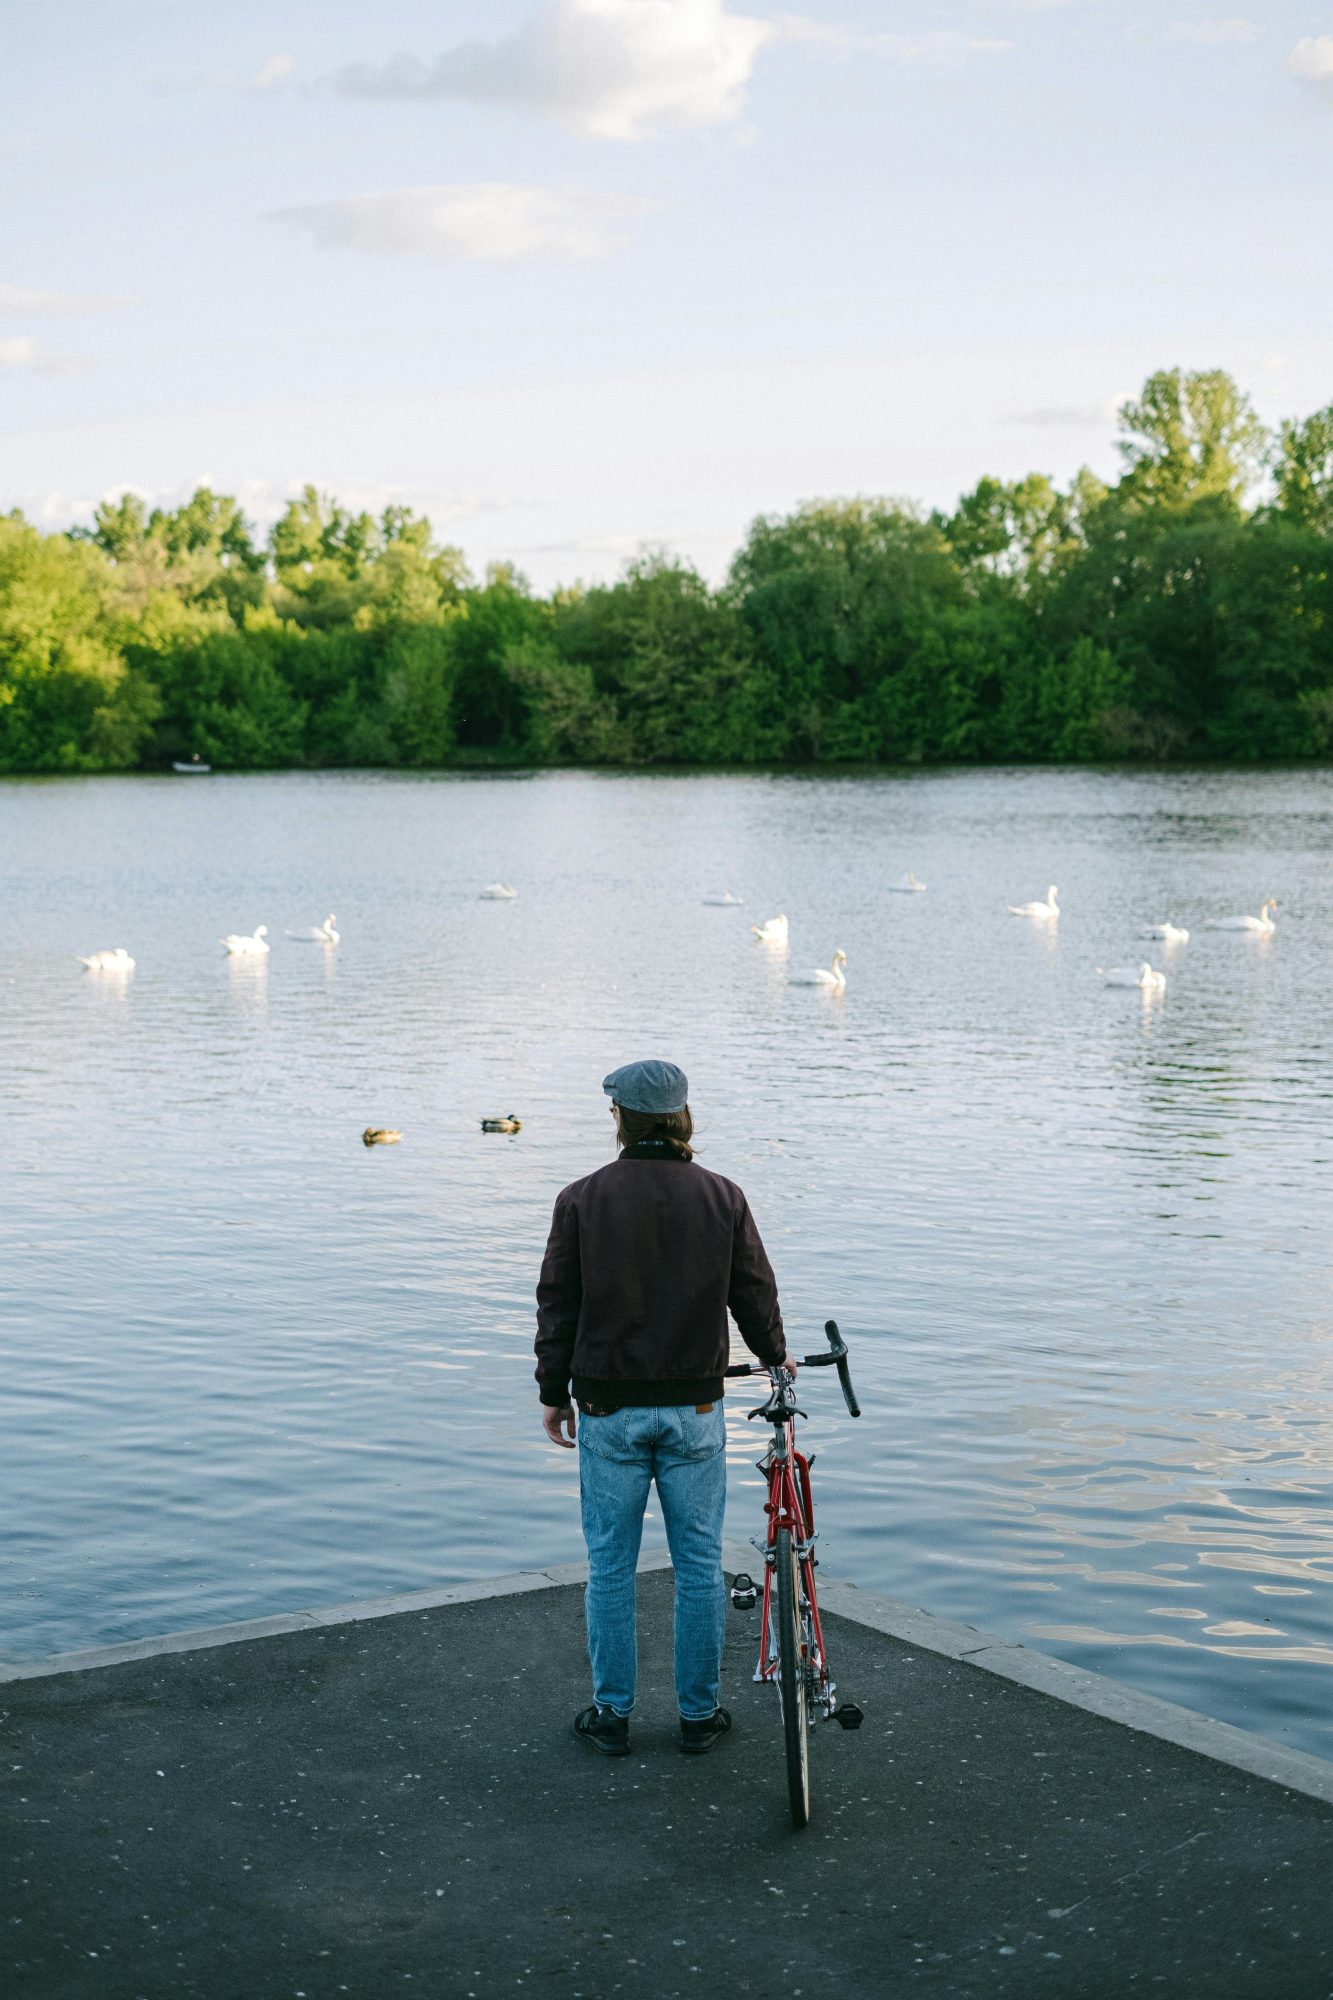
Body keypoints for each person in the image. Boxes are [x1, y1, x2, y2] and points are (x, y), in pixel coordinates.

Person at [535, 1058, 792, 1758]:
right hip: (695, 1409)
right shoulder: (721, 1196)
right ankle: (698, 1717)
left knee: (611, 1567)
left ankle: (611, 1717)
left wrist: (552, 1393)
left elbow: (558, 1305)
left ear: (619, 1116)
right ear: (682, 1116)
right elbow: (753, 1292)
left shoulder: (582, 1198)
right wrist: (775, 1356)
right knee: (699, 1565)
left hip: (608, 1407)